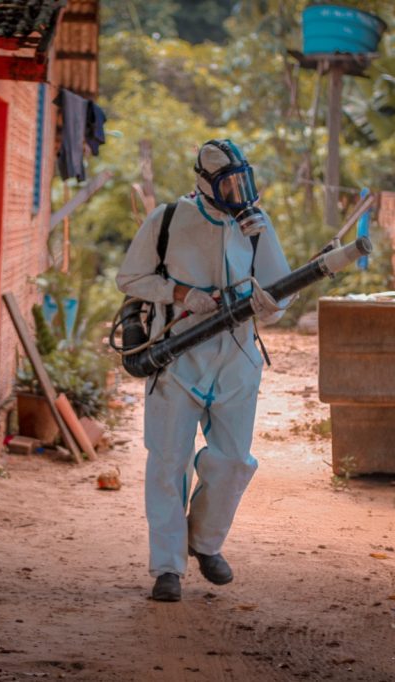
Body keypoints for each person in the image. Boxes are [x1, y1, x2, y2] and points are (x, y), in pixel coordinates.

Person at [116, 139, 292, 602]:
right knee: (168, 463)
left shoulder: (255, 224)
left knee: (234, 460)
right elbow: (130, 279)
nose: (239, 192)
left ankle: (204, 542)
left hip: (237, 361)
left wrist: (267, 303)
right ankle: (168, 568)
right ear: (204, 182)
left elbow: (281, 297)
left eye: (242, 180)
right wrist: (178, 294)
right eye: (228, 183)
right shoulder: (170, 219)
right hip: (176, 356)